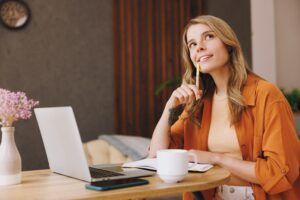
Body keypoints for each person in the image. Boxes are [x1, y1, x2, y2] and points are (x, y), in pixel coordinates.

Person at [149, 15, 300, 200]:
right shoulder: (198, 103)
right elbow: (156, 156)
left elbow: (278, 172)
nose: (200, 47)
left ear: (228, 43)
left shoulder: (267, 95)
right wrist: (169, 108)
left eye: (209, 36)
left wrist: (216, 158)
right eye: (192, 44)